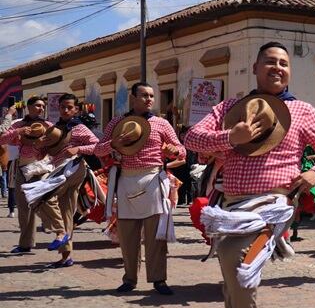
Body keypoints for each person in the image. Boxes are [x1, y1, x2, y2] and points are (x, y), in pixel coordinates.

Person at [185, 41, 315, 308]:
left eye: (284, 63)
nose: (277, 68)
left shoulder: (303, 111)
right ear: (254, 68)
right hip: (231, 205)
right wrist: (230, 137)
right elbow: (191, 138)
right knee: (232, 280)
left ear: (289, 72)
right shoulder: (231, 108)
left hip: (275, 204)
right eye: (270, 62)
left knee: (235, 257)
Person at [95, 82, 186, 295]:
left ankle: (159, 279)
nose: (149, 99)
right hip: (126, 180)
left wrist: (174, 150)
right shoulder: (117, 123)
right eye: (144, 95)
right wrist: (114, 143)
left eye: (152, 96)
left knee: (156, 235)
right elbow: (98, 150)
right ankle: (130, 278)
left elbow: (181, 150)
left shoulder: (162, 124)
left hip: (154, 179)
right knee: (127, 235)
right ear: (132, 98)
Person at [32, 93, 99, 268]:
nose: (66, 110)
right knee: (66, 212)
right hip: (58, 169)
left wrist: (78, 148)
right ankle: (66, 257)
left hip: (74, 168)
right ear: (58, 108)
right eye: (63, 107)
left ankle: (60, 232)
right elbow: (43, 154)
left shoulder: (80, 128)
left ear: (76, 109)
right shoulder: (54, 128)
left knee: (41, 196)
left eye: (70, 107)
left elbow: (97, 146)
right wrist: (39, 146)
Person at [0, 97, 51, 253]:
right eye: (37, 105)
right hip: (24, 168)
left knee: (47, 202)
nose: (41, 108)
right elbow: (2, 138)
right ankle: (26, 243)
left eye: (43, 106)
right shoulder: (19, 125)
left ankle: (60, 235)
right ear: (29, 107)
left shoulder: (48, 126)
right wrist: (18, 132)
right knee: (24, 207)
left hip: (43, 168)